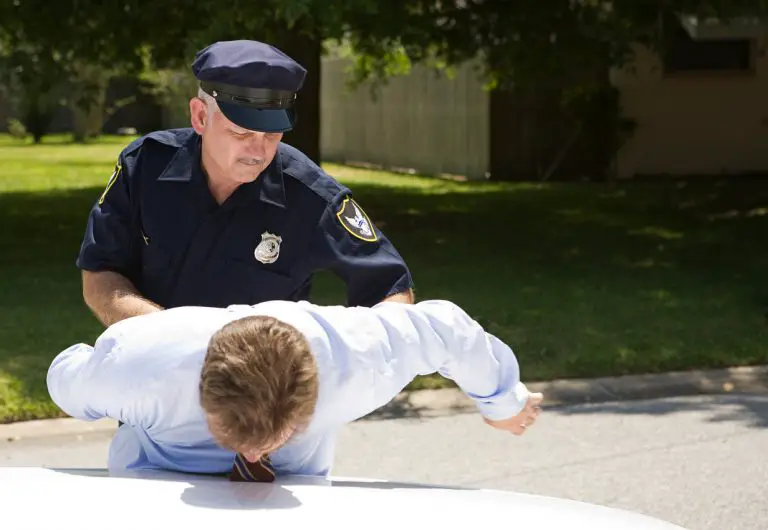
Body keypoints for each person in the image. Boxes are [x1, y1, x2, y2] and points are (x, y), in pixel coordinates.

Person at [77, 39, 414, 328]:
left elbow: (392, 291)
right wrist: (165, 336)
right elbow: (100, 272)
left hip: (263, 389)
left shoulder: (310, 195)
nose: (258, 150)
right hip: (152, 369)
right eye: (241, 133)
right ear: (200, 116)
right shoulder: (145, 166)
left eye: (272, 134)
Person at [47, 299, 544, 480]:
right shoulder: (139, 365)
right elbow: (68, 379)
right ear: (202, 389)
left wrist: (502, 402)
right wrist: (83, 369)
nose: (254, 450)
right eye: (233, 434)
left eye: (276, 436)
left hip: (292, 499)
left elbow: (447, 329)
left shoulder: (354, 360)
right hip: (153, 492)